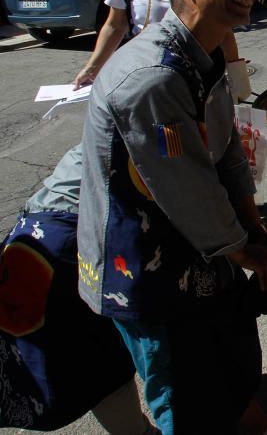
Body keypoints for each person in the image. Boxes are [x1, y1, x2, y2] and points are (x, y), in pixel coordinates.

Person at [77, 0, 267, 435]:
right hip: (142, 263)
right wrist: (246, 249)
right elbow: (189, 191)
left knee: (227, 356)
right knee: (185, 393)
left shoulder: (209, 51)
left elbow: (229, 152)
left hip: (193, 244)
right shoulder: (154, 77)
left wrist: (254, 226)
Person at [0, 144, 156, 434]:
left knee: (90, 365)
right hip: (62, 253)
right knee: (97, 363)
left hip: (30, 239)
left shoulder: (112, 119)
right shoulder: (159, 127)